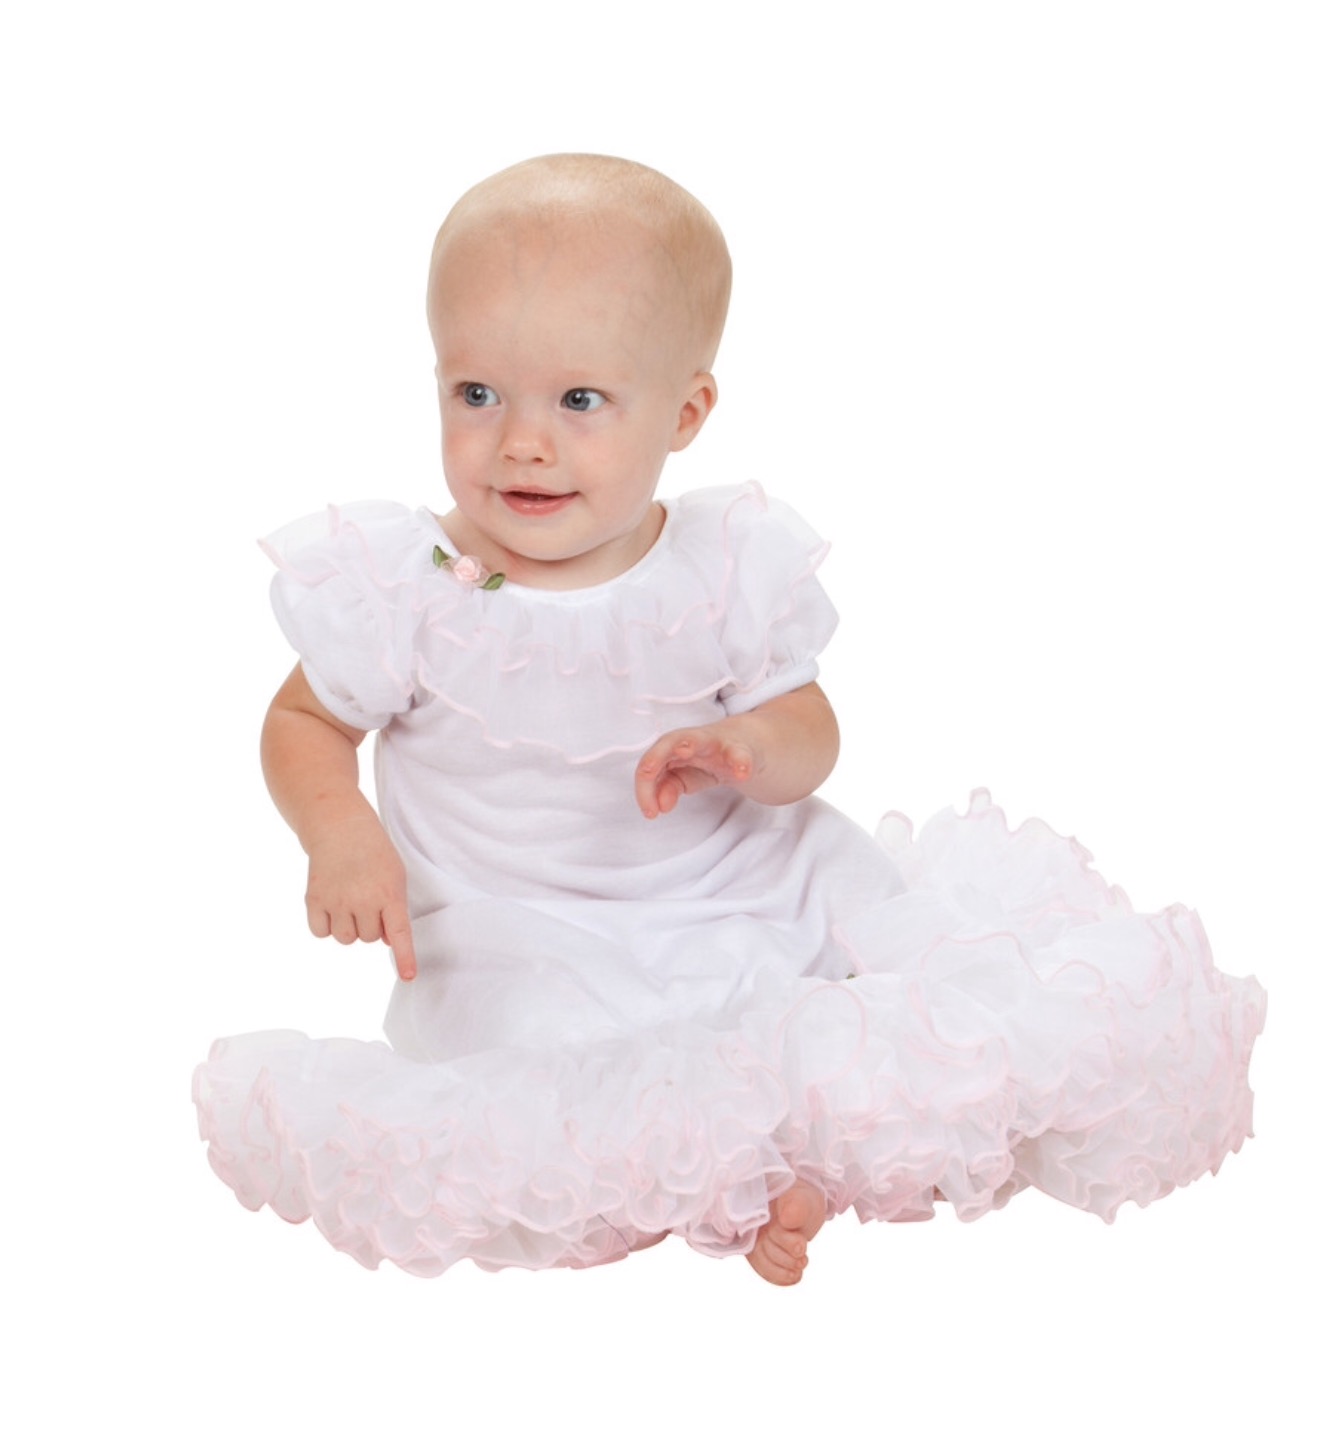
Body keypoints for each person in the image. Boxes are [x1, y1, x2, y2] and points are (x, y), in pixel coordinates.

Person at [194, 154, 1264, 1285]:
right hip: (520, 926)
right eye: (476, 394)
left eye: (578, 401)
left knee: (867, 992)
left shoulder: (719, 568)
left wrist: (750, 749)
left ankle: (808, 1165)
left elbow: (809, 728)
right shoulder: (407, 584)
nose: (520, 442)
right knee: (550, 1068)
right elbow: (304, 721)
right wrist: (340, 833)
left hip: (736, 884)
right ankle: (735, 1181)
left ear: (686, 411)